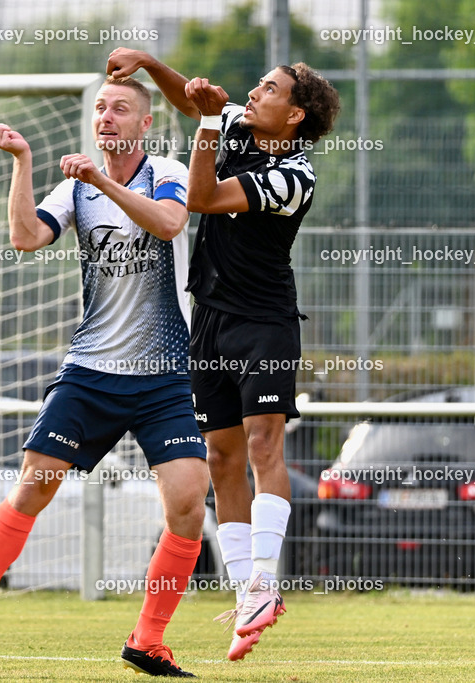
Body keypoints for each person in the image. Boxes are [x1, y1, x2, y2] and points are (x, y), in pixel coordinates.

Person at [0, 75, 209, 679]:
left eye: (121, 109)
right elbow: (26, 237)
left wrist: (100, 180)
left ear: (145, 123)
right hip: (91, 373)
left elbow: (167, 224)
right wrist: (23, 162)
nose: (106, 116)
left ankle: (147, 640)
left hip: (162, 378)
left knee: (187, 501)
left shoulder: (166, 171)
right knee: (34, 485)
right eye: (101, 108)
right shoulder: (74, 189)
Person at [106, 48, 340, 661]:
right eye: (258, 83)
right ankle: (247, 595)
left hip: (264, 322)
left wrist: (207, 126)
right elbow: (190, 97)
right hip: (207, 317)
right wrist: (149, 62)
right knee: (221, 456)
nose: (255, 92)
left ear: (293, 117)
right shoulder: (237, 122)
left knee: (265, 443)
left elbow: (202, 199)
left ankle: (265, 579)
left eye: (269, 89)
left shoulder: (296, 175)